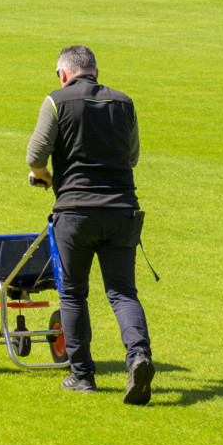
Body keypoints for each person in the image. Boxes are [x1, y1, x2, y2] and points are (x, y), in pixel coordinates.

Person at [28, 44, 155, 404]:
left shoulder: (56, 101)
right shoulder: (124, 102)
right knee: (122, 292)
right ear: (96, 72)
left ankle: (82, 377)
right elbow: (131, 157)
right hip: (122, 212)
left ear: (64, 74)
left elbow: (35, 155)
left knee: (72, 293)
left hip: (76, 214)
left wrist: (42, 176)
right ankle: (139, 357)